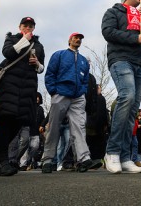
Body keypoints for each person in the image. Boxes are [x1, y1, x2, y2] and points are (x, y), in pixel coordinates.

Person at [101, 0, 141, 174]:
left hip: (139, 63)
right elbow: (108, 32)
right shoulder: (113, 12)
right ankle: (112, 152)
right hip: (121, 60)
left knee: (133, 107)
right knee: (127, 96)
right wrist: (134, 38)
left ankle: (125, 157)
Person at [0, 17, 45, 176]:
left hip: (27, 89)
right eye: (25, 25)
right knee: (5, 121)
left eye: (31, 26)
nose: (28, 28)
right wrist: (24, 40)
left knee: (18, 123)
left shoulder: (39, 45)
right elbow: (8, 53)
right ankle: (3, 162)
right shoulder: (12, 39)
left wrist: (37, 64)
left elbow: (41, 68)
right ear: (20, 26)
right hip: (9, 86)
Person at [41, 32, 101, 173]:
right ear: (69, 40)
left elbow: (85, 79)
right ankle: (48, 160)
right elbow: (50, 74)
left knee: (79, 127)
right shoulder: (59, 55)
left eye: (80, 38)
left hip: (78, 97)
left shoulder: (83, 60)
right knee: (54, 127)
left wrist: (82, 91)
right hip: (61, 93)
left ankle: (83, 159)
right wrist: (53, 91)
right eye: (76, 38)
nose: (78, 40)